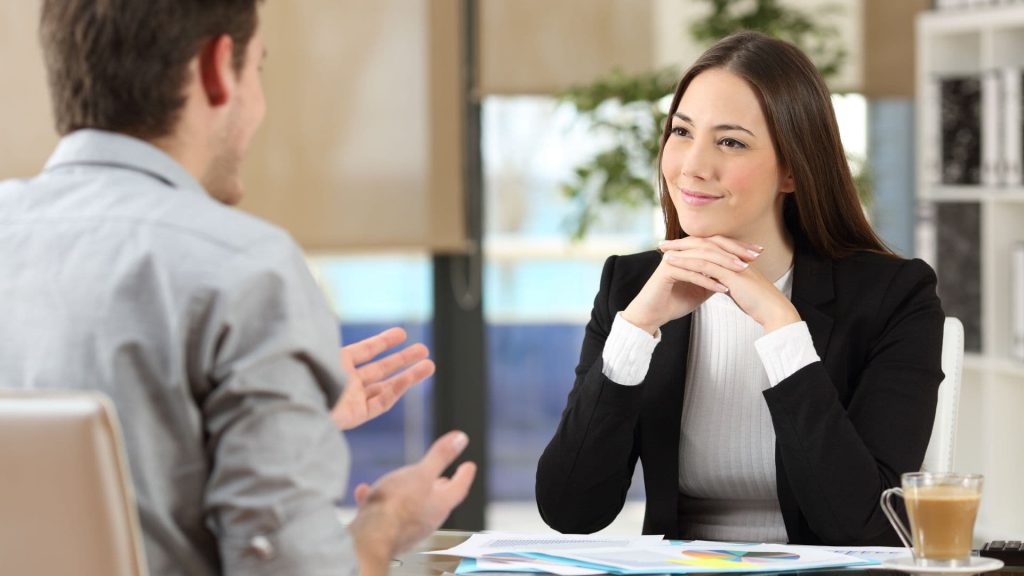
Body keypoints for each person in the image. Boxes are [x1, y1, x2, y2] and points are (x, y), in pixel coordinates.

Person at [0, 1, 474, 575]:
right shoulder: (245, 268)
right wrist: (387, 523)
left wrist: (284, 416)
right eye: (259, 71)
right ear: (217, 68)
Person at [535, 31, 944, 546]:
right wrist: (635, 330)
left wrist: (782, 329)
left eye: (730, 141)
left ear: (792, 169)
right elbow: (571, 510)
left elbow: (869, 528)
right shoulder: (632, 286)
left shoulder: (894, 296)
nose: (692, 166)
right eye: (682, 132)